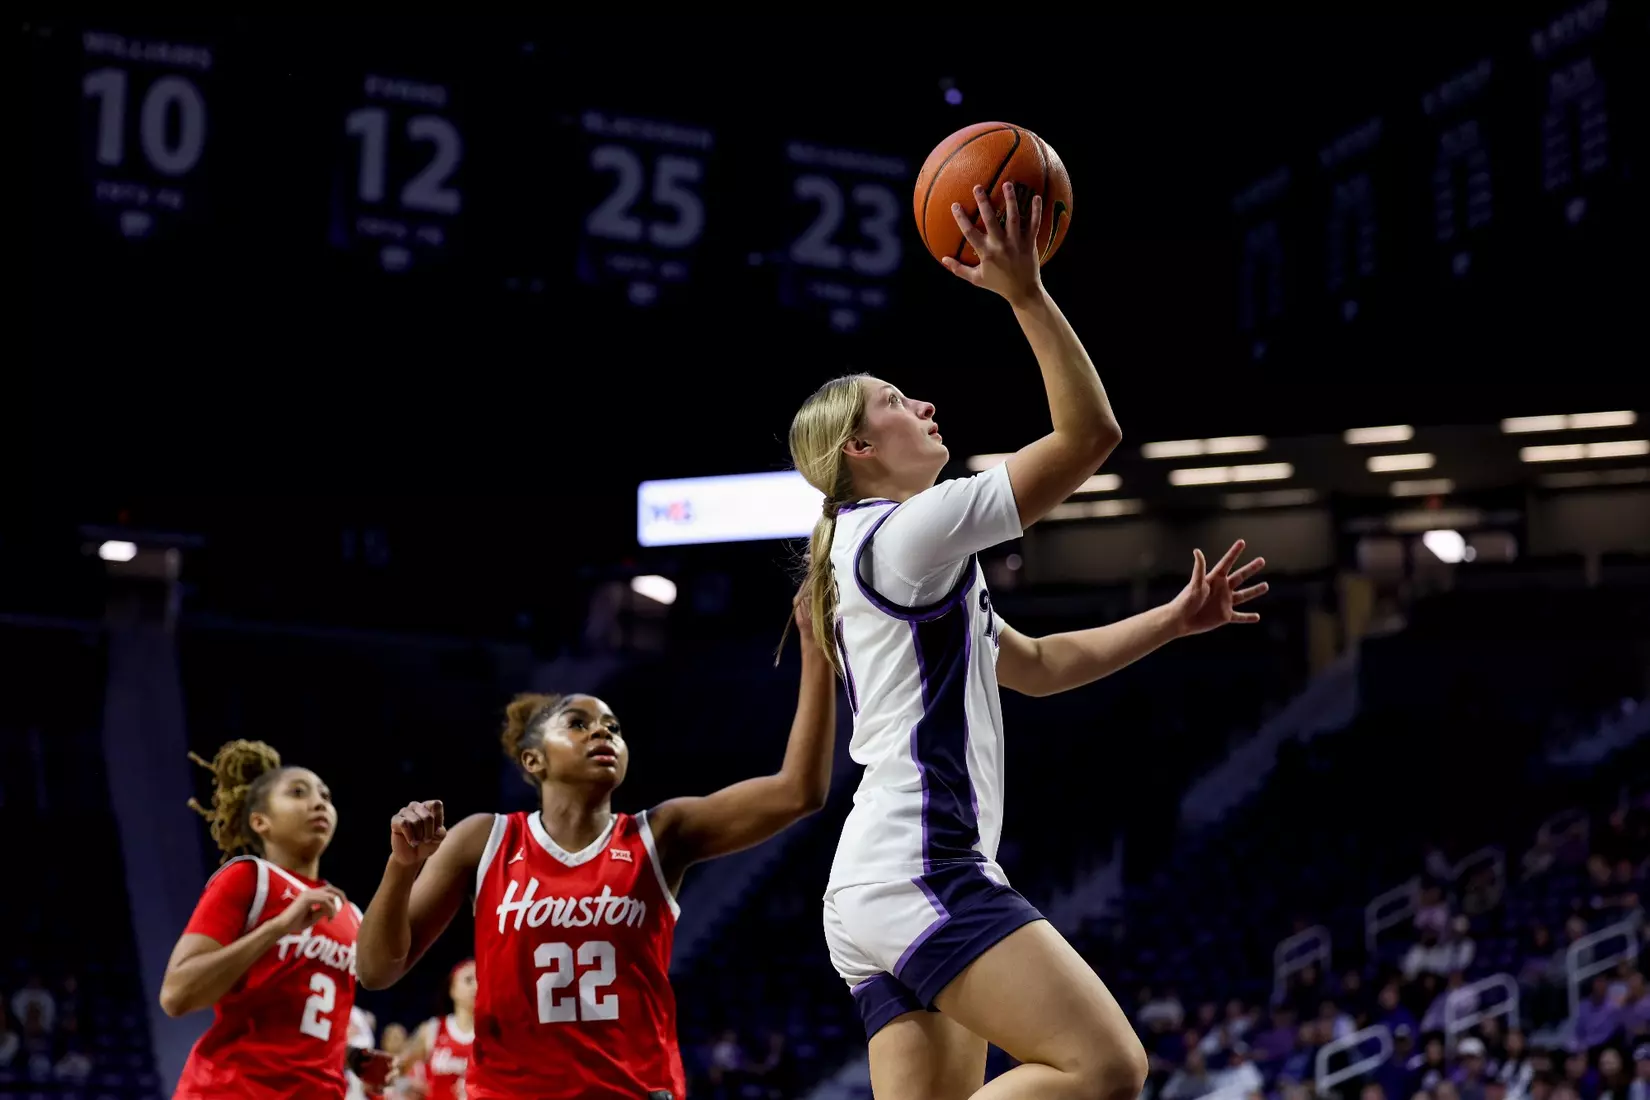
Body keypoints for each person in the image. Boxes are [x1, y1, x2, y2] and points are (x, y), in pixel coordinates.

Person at [786, 181, 1269, 1100]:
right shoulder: (906, 533)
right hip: (919, 866)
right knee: (1105, 1068)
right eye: (895, 400)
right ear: (859, 450)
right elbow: (1091, 436)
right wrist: (1025, 292)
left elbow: (1038, 667)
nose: (924, 403)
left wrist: (1171, 619)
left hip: (871, 886)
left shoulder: (889, 554)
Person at [355, 593, 837, 1100]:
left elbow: (799, 791)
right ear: (534, 761)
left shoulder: (661, 833)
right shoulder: (485, 838)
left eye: (612, 727)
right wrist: (400, 867)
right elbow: (374, 970)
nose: (602, 733)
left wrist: (813, 643)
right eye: (579, 724)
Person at [161, 739, 395, 1098]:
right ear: (260, 821)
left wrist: (352, 1058)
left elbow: (297, 1026)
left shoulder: (350, 914)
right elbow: (177, 994)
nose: (319, 803)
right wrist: (278, 926)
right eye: (298, 793)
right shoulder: (250, 878)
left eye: (326, 796)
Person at [395, 959, 477, 1100]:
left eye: (480, 980)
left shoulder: (493, 1035)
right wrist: (404, 1085)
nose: (476, 986)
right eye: (469, 980)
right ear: (452, 989)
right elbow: (397, 1067)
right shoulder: (433, 1029)